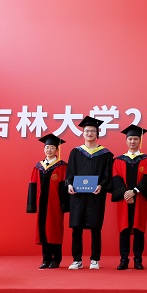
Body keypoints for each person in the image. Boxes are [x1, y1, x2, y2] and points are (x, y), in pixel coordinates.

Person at [66, 116, 114, 270]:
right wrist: (69, 184)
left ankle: (94, 259)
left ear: (97, 133)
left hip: (95, 195)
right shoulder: (76, 152)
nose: (89, 133)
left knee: (95, 227)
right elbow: (70, 172)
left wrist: (102, 186)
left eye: (92, 131)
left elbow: (107, 175)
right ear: (83, 133)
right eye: (87, 131)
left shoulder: (105, 154)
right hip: (78, 195)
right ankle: (77, 260)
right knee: (76, 227)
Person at [111, 125, 147, 270]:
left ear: (140, 141)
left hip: (139, 199)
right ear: (126, 141)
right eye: (130, 139)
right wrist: (126, 193)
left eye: (135, 139)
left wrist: (134, 192)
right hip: (124, 200)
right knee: (124, 229)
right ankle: (124, 259)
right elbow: (116, 178)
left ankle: (138, 259)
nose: (132, 141)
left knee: (139, 229)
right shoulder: (118, 160)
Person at [26, 133, 68, 269]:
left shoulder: (62, 166)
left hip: (55, 205)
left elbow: (64, 187)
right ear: (44, 149)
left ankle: (56, 259)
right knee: (43, 230)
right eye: (47, 147)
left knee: (54, 230)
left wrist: (64, 205)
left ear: (57, 150)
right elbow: (32, 185)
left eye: (52, 147)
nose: (49, 150)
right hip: (41, 204)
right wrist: (32, 205)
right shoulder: (38, 167)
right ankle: (46, 259)